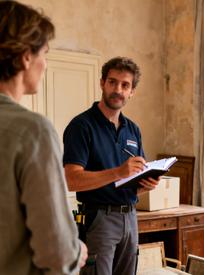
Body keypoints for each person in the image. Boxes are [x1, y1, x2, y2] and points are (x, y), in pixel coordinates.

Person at [0, 1, 88, 274]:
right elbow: (56, 253)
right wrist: (77, 252)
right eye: (45, 54)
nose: (46, 64)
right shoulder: (33, 131)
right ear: (26, 56)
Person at [63, 57, 159, 275]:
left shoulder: (133, 129)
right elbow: (71, 180)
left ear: (132, 91)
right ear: (102, 83)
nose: (118, 89)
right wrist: (118, 172)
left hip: (131, 218)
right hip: (98, 219)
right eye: (112, 82)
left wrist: (146, 184)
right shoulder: (81, 126)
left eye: (125, 85)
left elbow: (133, 180)